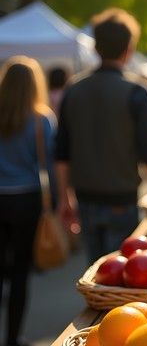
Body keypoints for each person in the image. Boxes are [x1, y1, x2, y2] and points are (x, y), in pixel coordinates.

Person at [55, 8, 147, 264]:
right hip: (122, 198)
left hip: (85, 197)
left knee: (94, 269)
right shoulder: (137, 91)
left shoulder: (74, 89)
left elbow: (61, 150)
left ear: (95, 48)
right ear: (130, 49)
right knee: (121, 274)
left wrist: (63, 198)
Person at [0, 55, 56, 346]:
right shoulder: (41, 119)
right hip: (26, 199)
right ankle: (12, 337)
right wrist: (57, 204)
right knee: (21, 270)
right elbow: (48, 165)